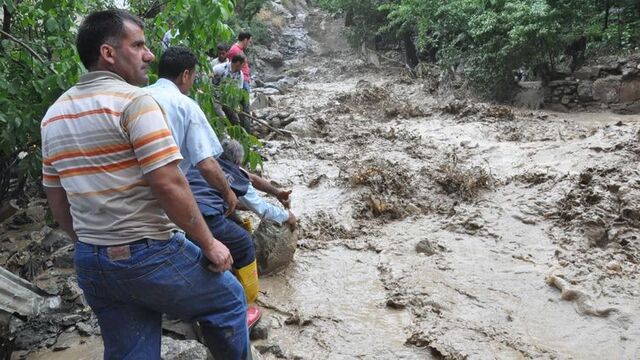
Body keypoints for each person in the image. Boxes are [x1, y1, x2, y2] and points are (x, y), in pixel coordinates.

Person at [41, 9, 250, 360]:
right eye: (138, 45)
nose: (149, 55)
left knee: (131, 351)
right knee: (228, 299)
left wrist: (91, 245)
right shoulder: (135, 103)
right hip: (148, 255)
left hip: (92, 263)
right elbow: (169, 184)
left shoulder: (54, 115)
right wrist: (209, 243)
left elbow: (56, 197)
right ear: (109, 53)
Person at [185, 139, 297, 329]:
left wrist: (277, 192)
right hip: (205, 219)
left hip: (181, 216)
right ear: (237, 162)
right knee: (244, 242)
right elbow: (261, 208)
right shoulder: (234, 174)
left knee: (234, 224)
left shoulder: (202, 161)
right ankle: (246, 302)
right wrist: (287, 216)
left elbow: (251, 178)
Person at [146, 47, 238, 215]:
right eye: (194, 77)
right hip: (160, 204)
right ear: (185, 75)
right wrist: (227, 192)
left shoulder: (135, 96)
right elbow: (206, 164)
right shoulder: (186, 106)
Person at [212, 55, 247, 128]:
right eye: (243, 65)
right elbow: (207, 75)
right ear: (237, 63)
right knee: (222, 116)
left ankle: (237, 135)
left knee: (235, 119)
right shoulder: (220, 68)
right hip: (215, 97)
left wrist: (236, 105)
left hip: (227, 99)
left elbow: (238, 91)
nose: (243, 67)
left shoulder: (240, 75)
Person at [227, 32, 252, 133]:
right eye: (249, 41)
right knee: (244, 109)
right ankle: (245, 133)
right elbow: (233, 67)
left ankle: (244, 132)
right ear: (245, 40)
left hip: (244, 80)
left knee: (244, 109)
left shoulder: (238, 49)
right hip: (241, 81)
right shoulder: (235, 50)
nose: (249, 44)